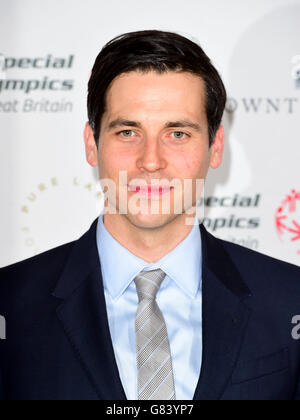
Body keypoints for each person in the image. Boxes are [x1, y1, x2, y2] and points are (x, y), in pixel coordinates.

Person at [0, 30, 300, 401]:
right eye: (128, 132)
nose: (151, 161)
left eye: (177, 133)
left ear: (215, 146)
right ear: (92, 144)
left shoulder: (291, 301)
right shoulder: (9, 302)